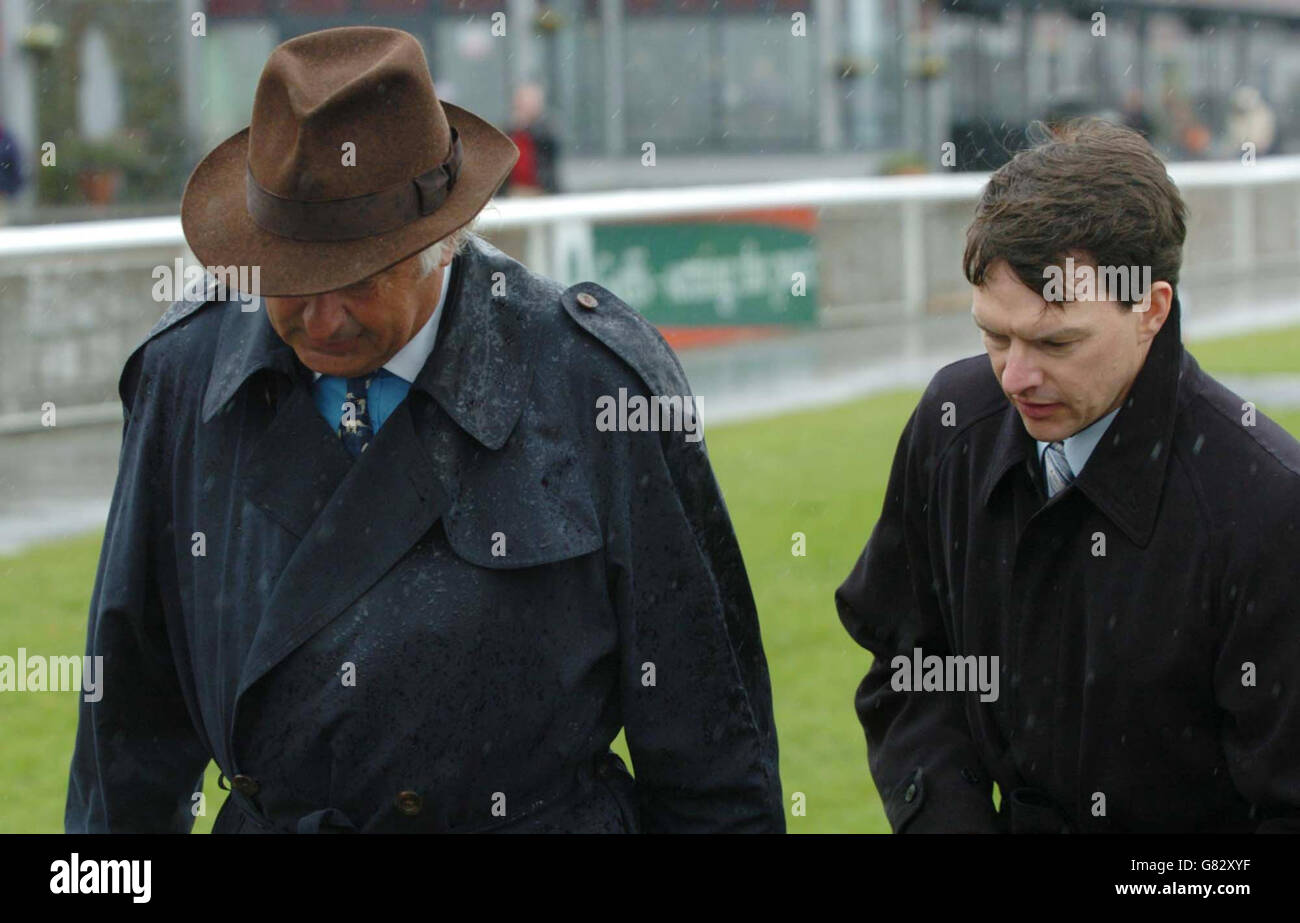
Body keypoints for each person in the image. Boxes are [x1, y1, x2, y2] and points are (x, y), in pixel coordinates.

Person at [65, 25, 783, 834]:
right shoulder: (185, 376)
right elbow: (123, 728)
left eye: (358, 278)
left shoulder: (591, 382)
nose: (321, 317)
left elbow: (710, 745)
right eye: (291, 279)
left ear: (442, 243)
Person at [835, 118, 1300, 833]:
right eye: (994, 334)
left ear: (1151, 309)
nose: (1016, 376)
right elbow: (910, 669)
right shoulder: (952, 424)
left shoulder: (1270, 505)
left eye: (1056, 341)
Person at [501, 83, 560, 196]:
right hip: (514, 191)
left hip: (540, 190)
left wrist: (527, 127)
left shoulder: (545, 130)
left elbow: (548, 153)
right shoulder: (510, 131)